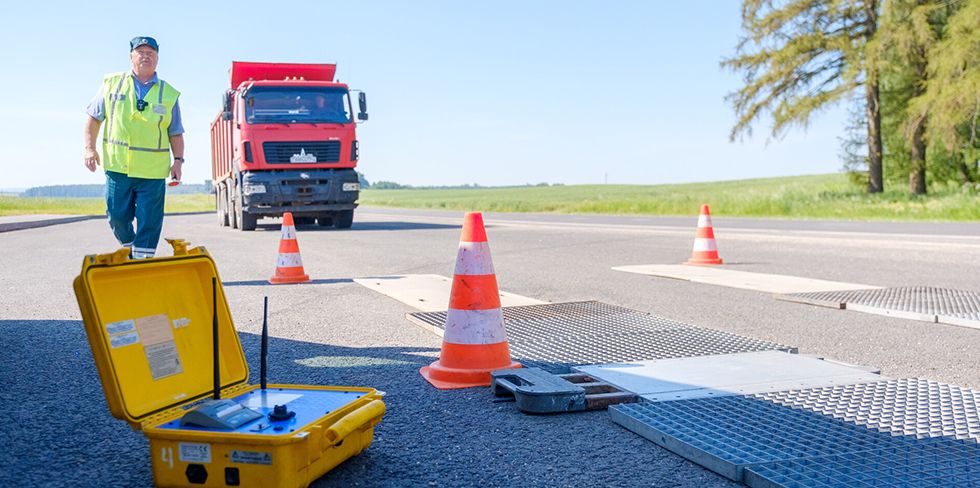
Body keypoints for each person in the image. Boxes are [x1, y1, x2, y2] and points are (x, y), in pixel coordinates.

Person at [83, 36, 184, 259]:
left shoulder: (168, 94)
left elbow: (175, 132)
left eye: (151, 52)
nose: (145, 55)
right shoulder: (111, 84)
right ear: (131, 57)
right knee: (116, 215)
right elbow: (93, 118)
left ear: (157, 59)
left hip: (152, 171)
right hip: (119, 167)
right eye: (140, 52)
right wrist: (90, 149)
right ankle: (129, 245)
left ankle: (142, 261)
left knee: (150, 220)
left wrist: (178, 161)